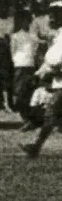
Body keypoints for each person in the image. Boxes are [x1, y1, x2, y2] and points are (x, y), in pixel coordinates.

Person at [22, 27, 62, 158]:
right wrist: (39, 73)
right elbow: (51, 61)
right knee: (51, 116)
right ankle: (36, 146)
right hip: (58, 84)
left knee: (51, 115)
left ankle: (36, 146)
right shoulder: (58, 36)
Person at [10, 12, 42, 125]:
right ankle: (24, 116)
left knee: (29, 92)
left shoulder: (33, 37)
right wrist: (18, 62)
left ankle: (29, 118)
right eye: (25, 21)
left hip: (30, 65)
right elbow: (13, 52)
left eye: (28, 21)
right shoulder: (15, 36)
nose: (26, 23)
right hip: (20, 65)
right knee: (19, 92)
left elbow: (36, 50)